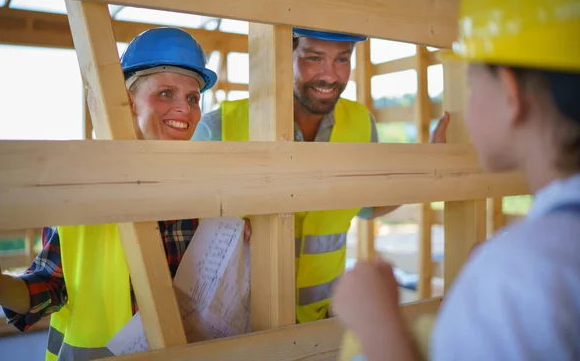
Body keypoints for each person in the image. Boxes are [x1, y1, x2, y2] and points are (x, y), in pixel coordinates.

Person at [331, 0, 580, 359]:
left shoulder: (517, 275)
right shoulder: (522, 268)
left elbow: (368, 204)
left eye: (470, 82)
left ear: (510, 95)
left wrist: (376, 323)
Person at [0, 27, 251, 360]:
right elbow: (51, 286)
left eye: (193, 97)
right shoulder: (81, 183)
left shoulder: (207, 185)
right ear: (129, 102)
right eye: (166, 93)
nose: (185, 108)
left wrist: (242, 236)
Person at [192, 28, 450, 323]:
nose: (330, 75)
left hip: (322, 325)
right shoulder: (219, 128)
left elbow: (370, 204)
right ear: (282, 57)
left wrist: (430, 168)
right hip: (237, 330)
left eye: (342, 59)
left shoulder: (361, 124)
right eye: (313, 58)